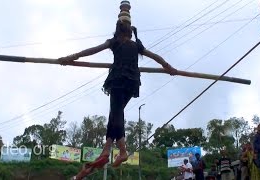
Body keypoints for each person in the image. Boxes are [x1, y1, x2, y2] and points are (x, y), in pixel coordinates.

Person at [62, 1, 177, 179]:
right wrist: (169, 67)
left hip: (117, 81)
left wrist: (73, 57)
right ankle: (106, 150)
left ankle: (122, 150)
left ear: (118, 29)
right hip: (132, 84)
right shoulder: (136, 45)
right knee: (115, 115)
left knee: (116, 115)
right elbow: (155, 56)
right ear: (129, 31)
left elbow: (92, 50)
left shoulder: (115, 42)